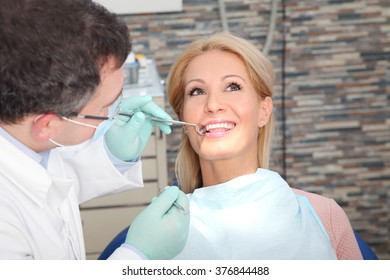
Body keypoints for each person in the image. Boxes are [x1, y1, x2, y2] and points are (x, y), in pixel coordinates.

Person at [0, 0, 189, 260]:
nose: (116, 112)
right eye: (108, 106)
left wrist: (113, 155)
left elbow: (53, 183)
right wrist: (136, 257)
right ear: (47, 125)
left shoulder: (22, 139)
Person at [166, 31, 362, 259]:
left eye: (232, 86)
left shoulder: (324, 215)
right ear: (183, 120)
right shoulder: (161, 232)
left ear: (264, 111)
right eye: (197, 91)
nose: (213, 104)